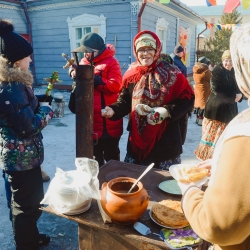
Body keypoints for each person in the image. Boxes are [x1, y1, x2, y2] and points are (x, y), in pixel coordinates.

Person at [178, 23, 250, 250]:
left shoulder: (245, 133)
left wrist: (188, 190)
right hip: (216, 110)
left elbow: (218, 225)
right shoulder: (217, 72)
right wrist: (221, 165)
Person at [102, 30, 194, 170]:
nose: (145, 53)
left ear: (156, 50)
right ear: (136, 52)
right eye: (141, 50)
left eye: (150, 49)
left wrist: (166, 111)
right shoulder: (132, 74)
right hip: (137, 143)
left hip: (166, 143)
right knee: (136, 184)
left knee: (163, 187)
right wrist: (113, 110)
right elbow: (125, 101)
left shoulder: (172, 72)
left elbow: (188, 98)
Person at [0, 19, 53, 249]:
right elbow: (28, 126)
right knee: (24, 206)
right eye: (27, 57)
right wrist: (47, 112)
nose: (30, 60)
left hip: (23, 158)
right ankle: (26, 244)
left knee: (27, 203)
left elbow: (20, 111)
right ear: (16, 60)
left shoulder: (15, 85)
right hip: (19, 160)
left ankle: (30, 237)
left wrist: (39, 102)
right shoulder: (11, 87)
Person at [69, 33, 123, 167]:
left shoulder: (111, 62)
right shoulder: (83, 61)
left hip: (107, 121)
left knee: (111, 157)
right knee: (93, 159)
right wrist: (72, 72)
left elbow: (116, 85)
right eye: (85, 51)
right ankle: (96, 183)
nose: (87, 54)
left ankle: (113, 182)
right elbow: (74, 67)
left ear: (99, 49)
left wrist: (96, 79)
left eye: (90, 51)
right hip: (90, 122)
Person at [194, 50, 242, 161]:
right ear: (222, 60)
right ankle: (208, 160)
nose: (228, 63)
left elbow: (239, 86)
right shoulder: (217, 71)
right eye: (226, 60)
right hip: (216, 110)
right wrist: (233, 98)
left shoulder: (235, 72)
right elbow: (217, 90)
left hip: (230, 111)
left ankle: (221, 159)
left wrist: (240, 95)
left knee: (225, 138)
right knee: (213, 138)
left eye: (230, 61)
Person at [171, 45, 189, 145]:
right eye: (182, 51)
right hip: (177, 90)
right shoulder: (174, 61)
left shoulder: (178, 59)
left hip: (182, 87)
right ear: (180, 52)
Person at [193, 56, 211, 126]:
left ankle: (198, 120)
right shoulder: (206, 71)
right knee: (203, 106)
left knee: (198, 105)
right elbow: (211, 78)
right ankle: (201, 121)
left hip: (198, 90)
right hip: (204, 91)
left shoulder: (195, 70)